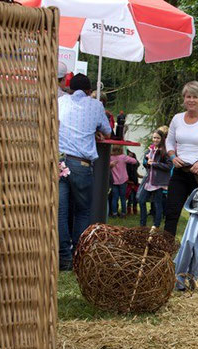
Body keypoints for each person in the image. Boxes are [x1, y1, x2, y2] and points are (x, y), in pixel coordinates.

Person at [58, 73, 112, 271]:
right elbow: (108, 132)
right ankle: (77, 255)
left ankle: (63, 258)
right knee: (82, 210)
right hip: (81, 164)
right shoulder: (96, 105)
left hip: (59, 161)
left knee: (61, 211)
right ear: (89, 91)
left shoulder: (60, 101)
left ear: (69, 88)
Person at [164, 81, 198, 236]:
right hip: (180, 172)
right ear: (184, 99)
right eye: (188, 96)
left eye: (195, 97)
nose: (191, 100)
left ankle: (197, 252)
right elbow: (169, 141)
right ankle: (165, 252)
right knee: (171, 213)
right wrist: (172, 156)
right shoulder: (177, 119)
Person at [139, 128, 172, 227]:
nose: (155, 140)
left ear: (162, 139)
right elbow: (146, 165)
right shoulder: (150, 149)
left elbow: (169, 166)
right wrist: (146, 162)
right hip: (149, 180)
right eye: (154, 138)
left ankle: (156, 226)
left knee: (157, 204)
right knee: (141, 200)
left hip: (158, 182)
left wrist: (155, 163)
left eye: (157, 138)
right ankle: (142, 224)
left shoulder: (165, 152)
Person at [109, 145, 139, 218]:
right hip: (123, 180)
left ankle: (114, 213)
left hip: (114, 180)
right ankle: (123, 213)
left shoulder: (110, 157)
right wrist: (130, 156)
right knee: (123, 198)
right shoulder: (123, 157)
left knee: (114, 198)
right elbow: (135, 161)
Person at [125, 149, 140, 216]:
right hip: (130, 183)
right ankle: (129, 210)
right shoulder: (127, 165)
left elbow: (135, 173)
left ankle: (134, 209)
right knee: (130, 197)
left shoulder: (134, 166)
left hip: (135, 183)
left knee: (135, 198)